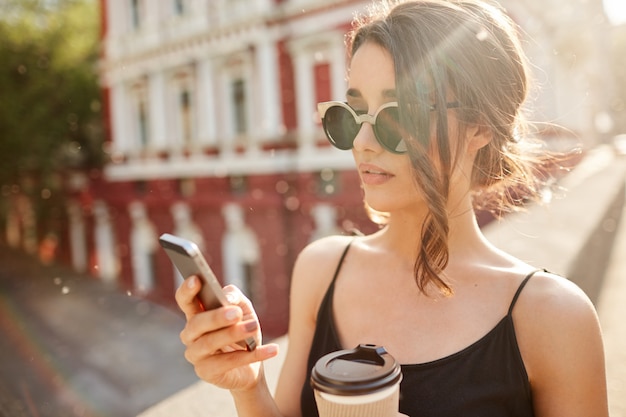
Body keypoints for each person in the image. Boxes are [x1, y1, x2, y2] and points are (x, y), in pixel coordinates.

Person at [175, 0, 609, 416]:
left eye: (397, 116)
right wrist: (249, 387)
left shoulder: (553, 318)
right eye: (351, 115)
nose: (362, 143)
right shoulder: (321, 269)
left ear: (479, 125)